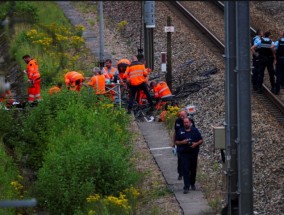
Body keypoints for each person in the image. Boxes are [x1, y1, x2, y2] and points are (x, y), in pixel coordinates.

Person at [175, 117, 203, 194]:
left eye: (187, 122)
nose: (186, 124)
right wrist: (182, 142)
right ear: (183, 123)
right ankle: (186, 186)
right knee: (185, 170)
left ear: (190, 123)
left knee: (193, 169)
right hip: (184, 154)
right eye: (185, 122)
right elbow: (176, 142)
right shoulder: (180, 131)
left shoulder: (195, 130)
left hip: (193, 153)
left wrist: (195, 144)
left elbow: (201, 140)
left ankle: (192, 183)